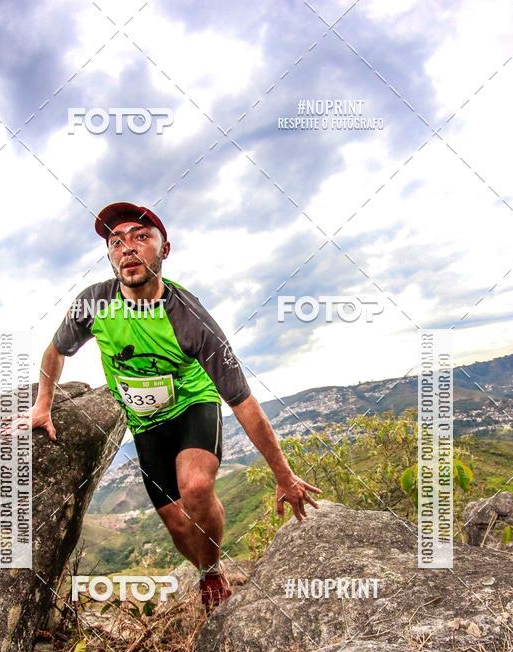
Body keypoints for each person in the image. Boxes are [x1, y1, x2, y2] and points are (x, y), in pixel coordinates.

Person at [30, 202, 320, 612]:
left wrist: (284, 474)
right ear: (110, 256)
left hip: (192, 405)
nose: (128, 248)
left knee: (196, 487)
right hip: (145, 424)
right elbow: (56, 350)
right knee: (178, 526)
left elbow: (242, 400)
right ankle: (203, 566)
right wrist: (43, 404)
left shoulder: (189, 317)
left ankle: (213, 571)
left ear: (164, 250)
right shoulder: (94, 303)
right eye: (116, 242)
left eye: (141, 237)